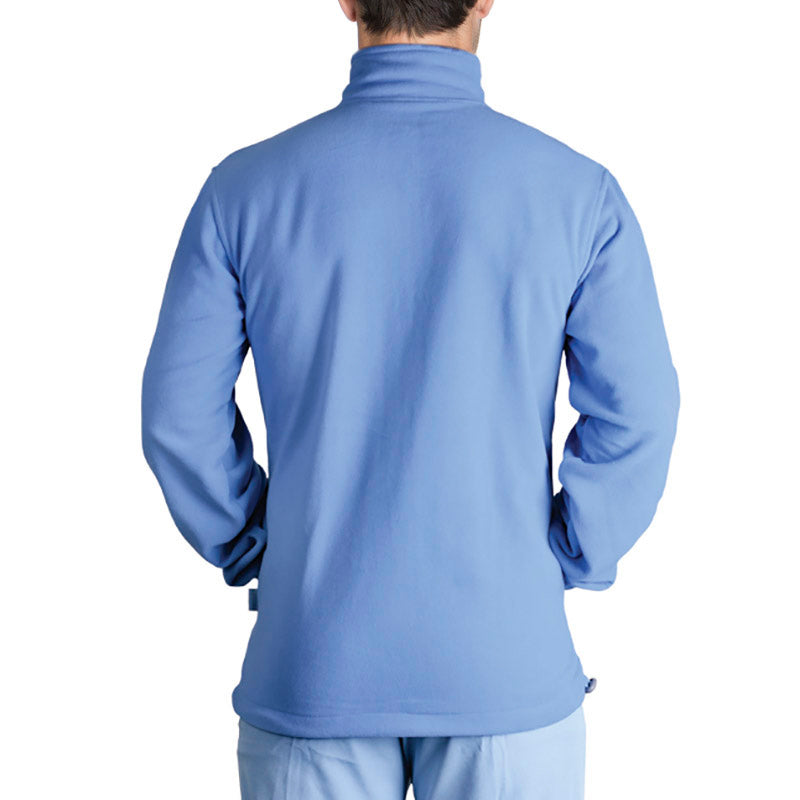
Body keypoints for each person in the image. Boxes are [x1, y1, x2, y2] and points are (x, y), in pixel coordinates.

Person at [141, 1, 680, 797]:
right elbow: (638, 416)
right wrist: (566, 558)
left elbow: (178, 416)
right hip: (505, 665)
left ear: (347, 1)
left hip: (313, 660)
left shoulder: (244, 191)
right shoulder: (578, 194)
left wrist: (261, 549)